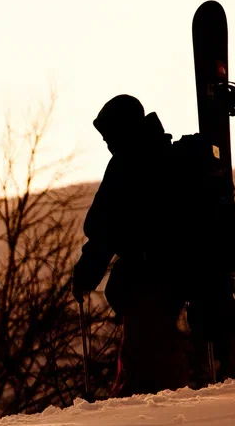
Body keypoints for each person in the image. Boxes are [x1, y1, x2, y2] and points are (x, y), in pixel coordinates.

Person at [71, 94, 191, 395]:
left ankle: (136, 410)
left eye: (108, 135)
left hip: (146, 276)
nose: (106, 143)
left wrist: (86, 275)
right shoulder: (167, 154)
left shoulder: (128, 162)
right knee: (158, 348)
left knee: (141, 357)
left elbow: (104, 228)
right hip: (178, 274)